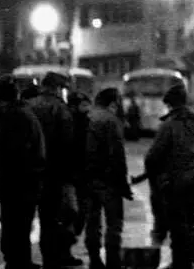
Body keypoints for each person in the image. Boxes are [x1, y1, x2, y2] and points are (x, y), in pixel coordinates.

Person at [144, 85, 194, 269]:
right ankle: (185, 260)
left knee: (176, 224)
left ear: (169, 104)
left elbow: (152, 157)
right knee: (189, 222)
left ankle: (180, 263)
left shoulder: (169, 125)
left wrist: (155, 181)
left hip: (175, 181)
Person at [0, 77, 46, 269]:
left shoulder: (14, 117)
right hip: (22, 183)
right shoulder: (19, 114)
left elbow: (12, 151)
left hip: (18, 184)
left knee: (15, 227)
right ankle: (21, 261)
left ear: (2, 99)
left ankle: (18, 263)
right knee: (19, 226)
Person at [30, 73, 80, 268]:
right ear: (57, 88)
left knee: (43, 218)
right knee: (55, 218)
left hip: (34, 172)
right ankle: (53, 259)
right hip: (56, 174)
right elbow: (67, 145)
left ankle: (47, 257)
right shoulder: (61, 109)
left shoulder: (31, 106)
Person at [84, 88, 131, 269]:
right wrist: (124, 185)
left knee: (92, 222)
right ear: (113, 102)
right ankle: (113, 262)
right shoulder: (111, 121)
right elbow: (117, 155)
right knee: (114, 224)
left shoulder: (87, 117)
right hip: (109, 180)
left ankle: (94, 260)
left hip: (88, 178)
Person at [68, 92, 92, 243]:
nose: (87, 108)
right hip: (72, 171)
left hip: (83, 171)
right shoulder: (68, 121)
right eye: (83, 105)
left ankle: (73, 234)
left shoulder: (88, 121)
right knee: (74, 209)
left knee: (82, 209)